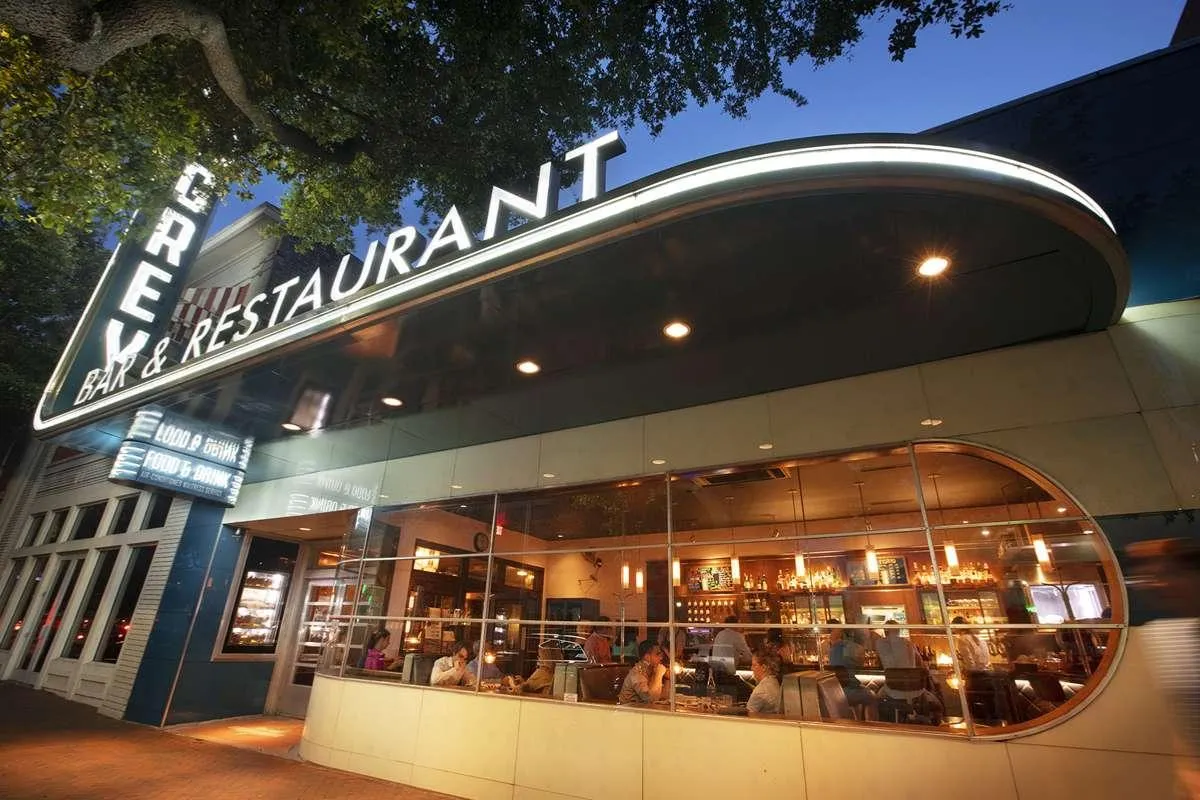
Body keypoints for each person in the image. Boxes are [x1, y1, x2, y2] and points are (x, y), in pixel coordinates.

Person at [1127, 538, 1200, 799]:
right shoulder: (1178, 634)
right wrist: (1188, 769)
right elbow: (1184, 718)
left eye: (1169, 574)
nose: (1159, 585)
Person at [826, 622, 878, 719]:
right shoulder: (852, 647)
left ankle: (856, 720)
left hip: (836, 691)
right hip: (848, 691)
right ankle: (872, 725)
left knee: (863, 690)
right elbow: (859, 665)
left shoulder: (831, 649)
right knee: (872, 697)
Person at [618, 640, 667, 704]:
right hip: (628, 711)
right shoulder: (637, 674)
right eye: (657, 654)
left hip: (642, 710)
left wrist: (668, 678)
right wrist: (659, 674)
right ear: (647, 657)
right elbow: (651, 699)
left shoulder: (652, 669)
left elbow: (665, 697)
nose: (660, 658)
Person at [747, 648, 783, 715]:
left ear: (763, 667)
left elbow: (748, 717)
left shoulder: (761, 690)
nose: (751, 668)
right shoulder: (774, 681)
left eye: (754, 665)